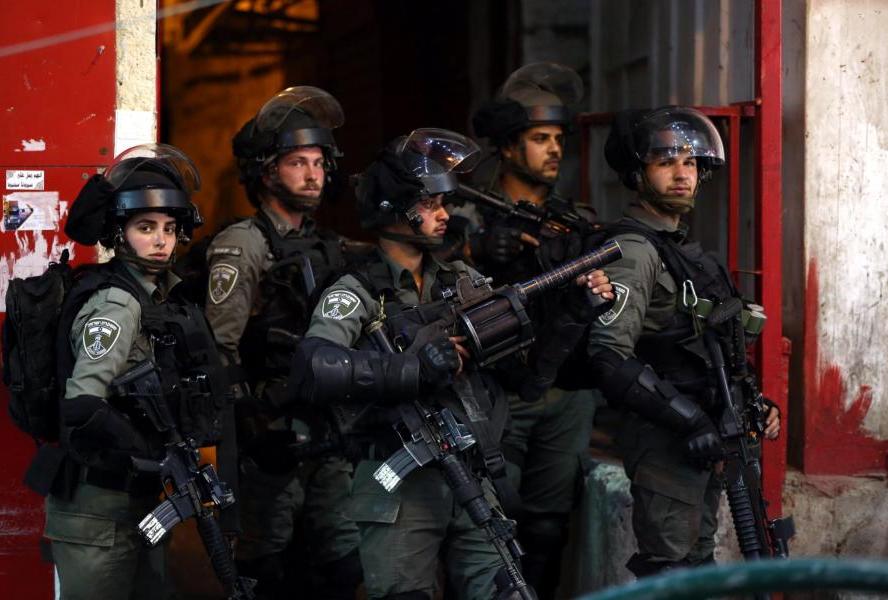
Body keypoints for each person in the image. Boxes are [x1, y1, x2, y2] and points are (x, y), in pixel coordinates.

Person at [290, 128, 612, 599]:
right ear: (392, 209)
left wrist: (572, 317)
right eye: (430, 205)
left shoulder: (462, 283)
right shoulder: (358, 291)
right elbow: (314, 366)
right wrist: (412, 370)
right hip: (399, 489)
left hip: (472, 478)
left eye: (442, 203)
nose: (444, 215)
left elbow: (526, 377)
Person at [590, 106, 781, 577]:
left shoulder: (685, 249)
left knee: (698, 565)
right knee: (670, 570)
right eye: (666, 161)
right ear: (638, 173)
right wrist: (689, 420)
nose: (682, 173)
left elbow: (715, 342)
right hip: (666, 439)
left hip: (709, 433)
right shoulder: (635, 251)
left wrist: (754, 401)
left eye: (691, 163)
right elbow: (608, 356)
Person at [44, 143, 236, 599]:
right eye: (145, 227)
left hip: (137, 501)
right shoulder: (117, 302)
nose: (160, 239)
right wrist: (147, 450)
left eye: (170, 228)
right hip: (97, 510)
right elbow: (82, 404)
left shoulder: (160, 298)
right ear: (119, 233)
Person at [204, 86, 362, 599]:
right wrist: (247, 422)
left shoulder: (327, 243)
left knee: (340, 562)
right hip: (270, 429)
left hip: (328, 426)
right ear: (268, 172)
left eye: (319, 162)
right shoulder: (244, 243)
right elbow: (218, 346)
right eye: (298, 162)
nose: (314, 174)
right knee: (266, 562)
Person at [461, 62, 610, 598]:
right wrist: (473, 250)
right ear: (506, 147)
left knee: (548, 526)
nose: (554, 149)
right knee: (485, 523)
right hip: (496, 390)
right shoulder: (463, 215)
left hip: (564, 394)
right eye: (539, 138)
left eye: (557, 139)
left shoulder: (575, 219)